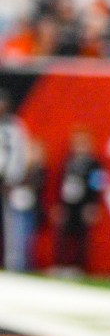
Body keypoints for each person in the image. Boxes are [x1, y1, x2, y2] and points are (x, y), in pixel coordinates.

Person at [52, 127, 104, 277]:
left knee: (81, 236)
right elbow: (61, 183)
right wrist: (59, 204)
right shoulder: (68, 161)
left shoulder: (94, 164)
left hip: (84, 203)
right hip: (68, 202)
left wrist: (93, 204)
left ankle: (78, 266)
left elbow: (97, 185)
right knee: (63, 235)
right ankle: (62, 264)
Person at [0, 93, 39, 272]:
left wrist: (21, 176)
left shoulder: (15, 125)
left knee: (15, 222)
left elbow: (26, 152)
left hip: (11, 180)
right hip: (10, 177)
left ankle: (15, 263)